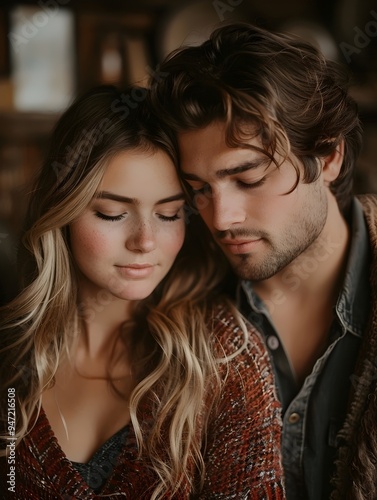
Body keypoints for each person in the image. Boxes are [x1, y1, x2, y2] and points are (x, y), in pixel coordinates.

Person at [0, 84, 285, 499]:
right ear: (62, 208)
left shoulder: (225, 356)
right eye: (113, 214)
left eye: (170, 214)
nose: (145, 241)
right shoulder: (12, 358)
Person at [149, 22, 377, 500]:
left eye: (248, 178)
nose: (221, 217)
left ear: (329, 156)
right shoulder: (171, 307)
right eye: (199, 190)